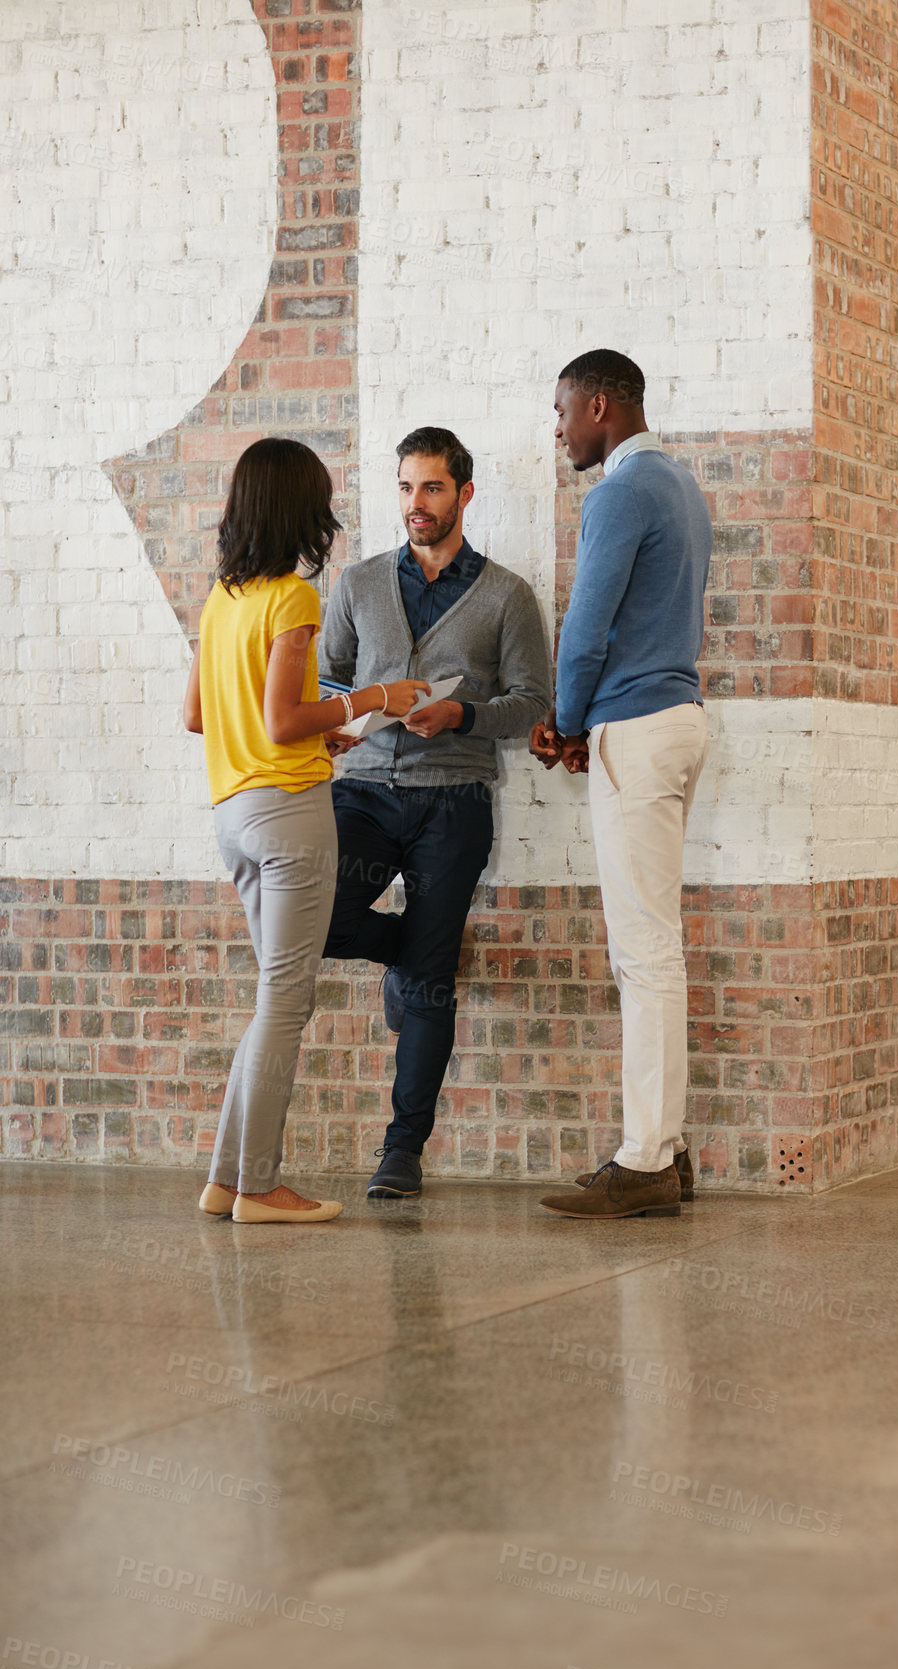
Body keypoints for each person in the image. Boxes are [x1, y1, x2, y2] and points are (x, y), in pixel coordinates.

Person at [183, 437, 428, 1224]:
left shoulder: (222, 597)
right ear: (300, 506)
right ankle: (259, 1187)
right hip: (289, 816)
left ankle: (227, 1180)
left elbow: (198, 716)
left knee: (272, 1001)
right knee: (287, 1003)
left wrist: (314, 732)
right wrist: (375, 698)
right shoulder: (292, 597)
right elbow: (284, 718)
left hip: (235, 815)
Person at [319, 426, 552, 1199]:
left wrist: (463, 718)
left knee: (428, 985)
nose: (416, 505)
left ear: (464, 494)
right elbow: (325, 683)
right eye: (406, 488)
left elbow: (531, 706)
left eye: (432, 489)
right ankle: (411, 951)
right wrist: (351, 715)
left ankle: (402, 1152)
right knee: (320, 919)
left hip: (453, 803)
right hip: (364, 792)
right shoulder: (356, 584)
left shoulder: (508, 595)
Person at [531, 350, 712, 1222]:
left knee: (642, 956)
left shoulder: (618, 493)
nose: (558, 427)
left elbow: (585, 627)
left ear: (601, 405)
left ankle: (645, 1158)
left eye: (563, 409)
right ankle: (667, 1152)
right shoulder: (682, 487)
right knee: (657, 952)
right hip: (675, 721)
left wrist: (566, 723)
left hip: (635, 731)